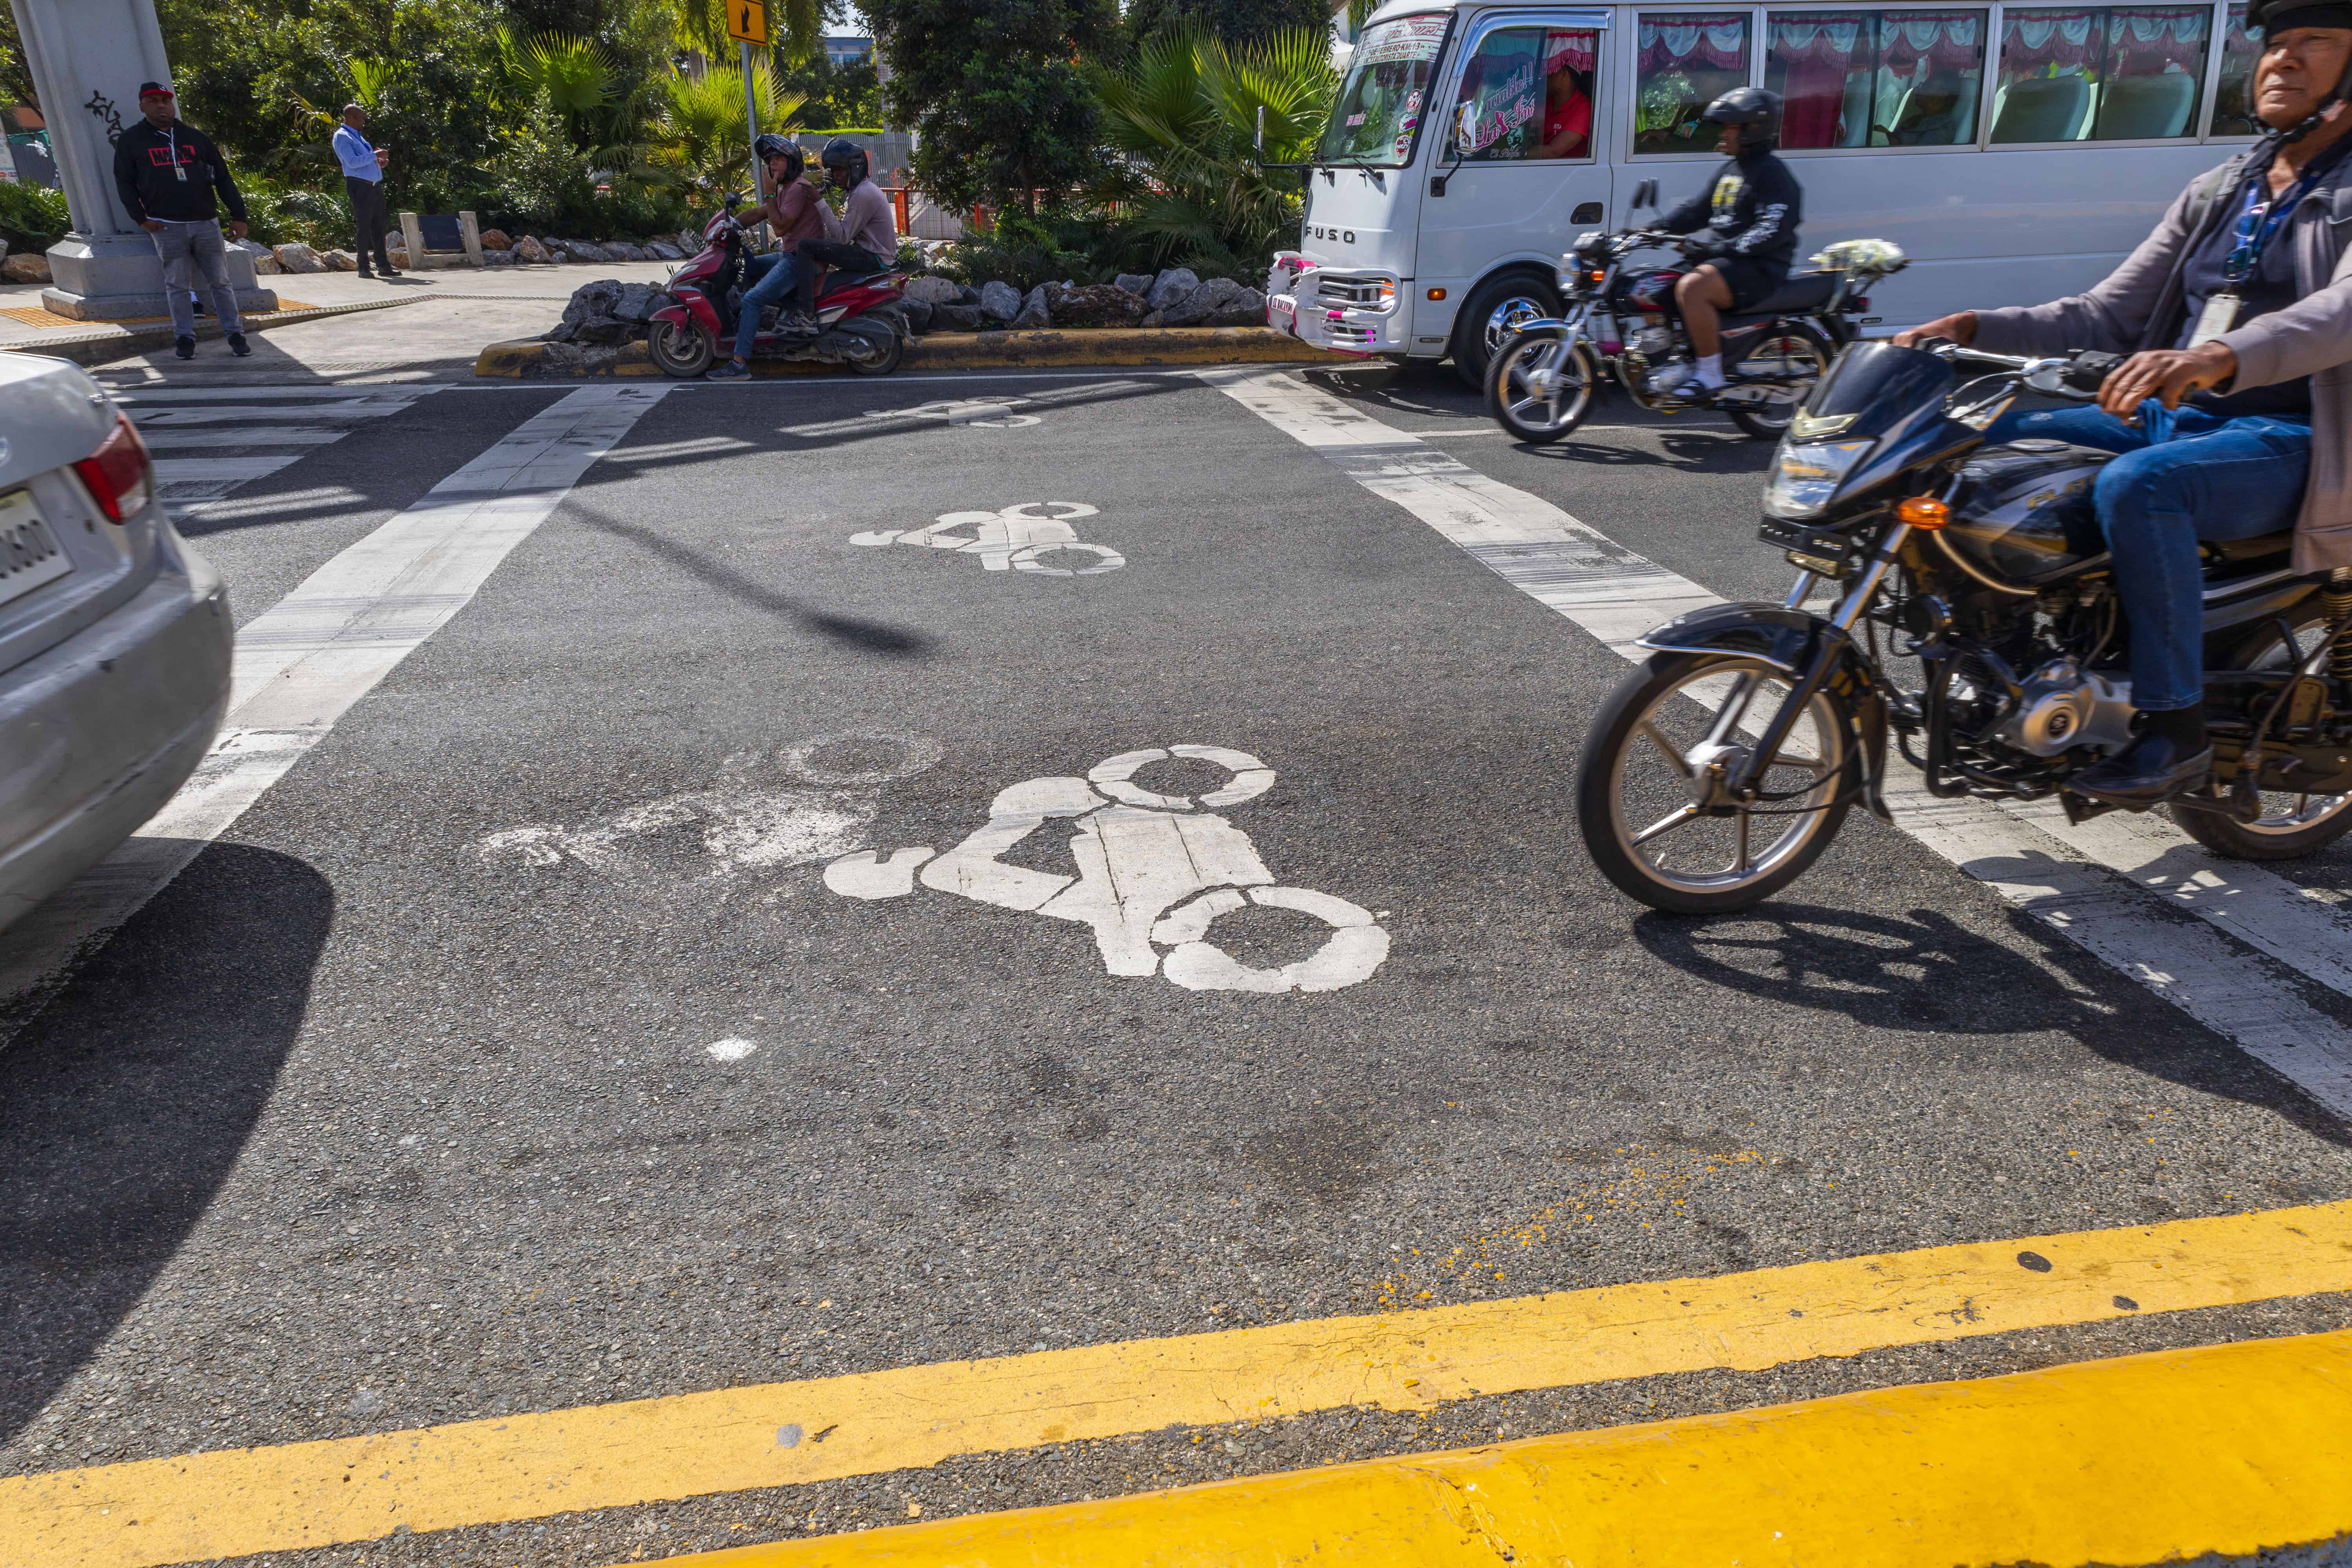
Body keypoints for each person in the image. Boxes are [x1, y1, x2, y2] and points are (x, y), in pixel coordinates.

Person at [1896, 0, 2352, 806]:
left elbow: (2338, 314)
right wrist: (1974, 324)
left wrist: (2218, 355)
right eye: (2276, 44)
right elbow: (2105, 314)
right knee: (1963, 432)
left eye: (2314, 41)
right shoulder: (2225, 186)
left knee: (2142, 485)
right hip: (2178, 413)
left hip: (2298, 434)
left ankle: (2173, 730)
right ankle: (1999, 653)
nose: (2283, 59)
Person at [1653, 88, 1801, 398]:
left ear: (1753, 130)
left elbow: (1772, 229)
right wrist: (1650, 231)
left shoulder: (1773, 173)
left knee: (1692, 288)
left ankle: (1710, 375)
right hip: (1726, 263)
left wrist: (1716, 250)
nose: (1723, 134)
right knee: (1652, 286)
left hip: (1760, 267)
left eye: (1730, 128)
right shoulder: (1731, 170)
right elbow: (1697, 210)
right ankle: (1674, 362)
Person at [111, 81, 249, 361]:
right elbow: (124, 184)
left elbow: (222, 179)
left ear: (172, 105)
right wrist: (141, 220)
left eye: (165, 100)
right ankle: (185, 339)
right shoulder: (131, 141)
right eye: (153, 101)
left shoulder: (196, 138)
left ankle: (235, 335)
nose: (161, 106)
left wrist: (238, 216)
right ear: (142, 106)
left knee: (221, 282)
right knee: (177, 286)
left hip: (206, 223)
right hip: (165, 225)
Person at [706, 135, 828, 381]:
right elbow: (761, 213)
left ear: (792, 163)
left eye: (779, 159)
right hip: (790, 256)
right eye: (771, 160)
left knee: (752, 299)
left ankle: (740, 364)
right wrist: (730, 224)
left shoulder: (796, 190)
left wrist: (771, 195)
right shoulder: (786, 190)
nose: (773, 165)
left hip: (800, 263)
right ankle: (747, 328)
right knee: (752, 266)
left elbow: (781, 228)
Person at [799, 136, 898, 291]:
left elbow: (842, 237)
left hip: (874, 258)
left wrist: (819, 200)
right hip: (871, 253)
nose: (835, 174)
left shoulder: (862, 194)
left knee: (805, 247)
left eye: (840, 169)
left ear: (854, 169)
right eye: (833, 169)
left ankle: (805, 308)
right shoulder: (862, 189)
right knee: (819, 244)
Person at [333, 103, 397, 279]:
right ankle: (363, 267)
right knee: (364, 226)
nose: (364, 122)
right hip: (360, 186)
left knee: (379, 226)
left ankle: (383, 265)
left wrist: (378, 163)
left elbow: (365, 161)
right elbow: (352, 162)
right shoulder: (342, 137)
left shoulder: (361, 138)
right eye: (362, 118)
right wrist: (375, 156)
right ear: (353, 117)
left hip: (375, 186)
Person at [1535, 51, 1593, 158]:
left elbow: (1553, 152)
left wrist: (1515, 154)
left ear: (1564, 75)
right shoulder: (1546, 102)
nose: (1544, 76)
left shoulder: (1583, 108)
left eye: (1550, 69)